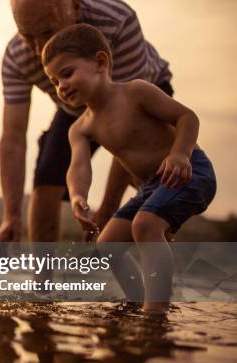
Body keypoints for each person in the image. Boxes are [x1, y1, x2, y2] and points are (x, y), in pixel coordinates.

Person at [41, 23, 216, 312]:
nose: (61, 86)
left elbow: (187, 117)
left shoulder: (135, 92)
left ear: (100, 62)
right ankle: (135, 302)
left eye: (67, 73)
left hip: (189, 171)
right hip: (152, 187)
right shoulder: (81, 127)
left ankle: (155, 311)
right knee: (108, 244)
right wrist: (76, 196)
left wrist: (180, 154)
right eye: (54, 81)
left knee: (145, 225)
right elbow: (79, 167)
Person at [0, 0, 173, 243]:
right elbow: (13, 139)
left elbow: (127, 124)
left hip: (140, 95)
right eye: (27, 36)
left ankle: (158, 255)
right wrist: (11, 215)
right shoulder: (17, 56)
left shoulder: (117, 21)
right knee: (45, 182)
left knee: (152, 181)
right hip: (76, 108)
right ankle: (42, 281)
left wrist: (106, 211)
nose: (38, 50)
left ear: (75, 7)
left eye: (47, 31)